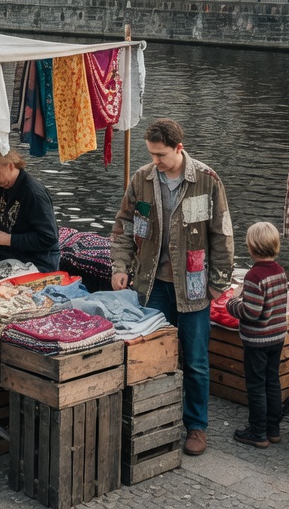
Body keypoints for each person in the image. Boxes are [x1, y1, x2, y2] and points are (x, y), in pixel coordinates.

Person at [110, 118, 234, 456]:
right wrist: (120, 267)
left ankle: (196, 426)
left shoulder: (207, 180)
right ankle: (154, 420)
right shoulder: (142, 179)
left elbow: (222, 234)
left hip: (194, 289)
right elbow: (124, 226)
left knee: (195, 361)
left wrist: (218, 284)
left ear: (179, 148)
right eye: (151, 154)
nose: (155, 161)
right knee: (150, 357)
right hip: (151, 284)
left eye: (161, 155)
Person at [226, 221, 288, 448]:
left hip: (257, 340)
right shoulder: (280, 272)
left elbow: (251, 312)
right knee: (272, 381)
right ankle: (273, 429)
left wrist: (232, 303)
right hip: (277, 336)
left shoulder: (254, 276)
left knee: (256, 385)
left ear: (252, 247)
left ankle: (257, 432)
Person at [0, 149, 60, 272]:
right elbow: (9, 221)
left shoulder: (34, 194)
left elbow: (49, 238)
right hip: (11, 253)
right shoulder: (3, 185)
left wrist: (10, 240)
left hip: (38, 261)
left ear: (10, 166)